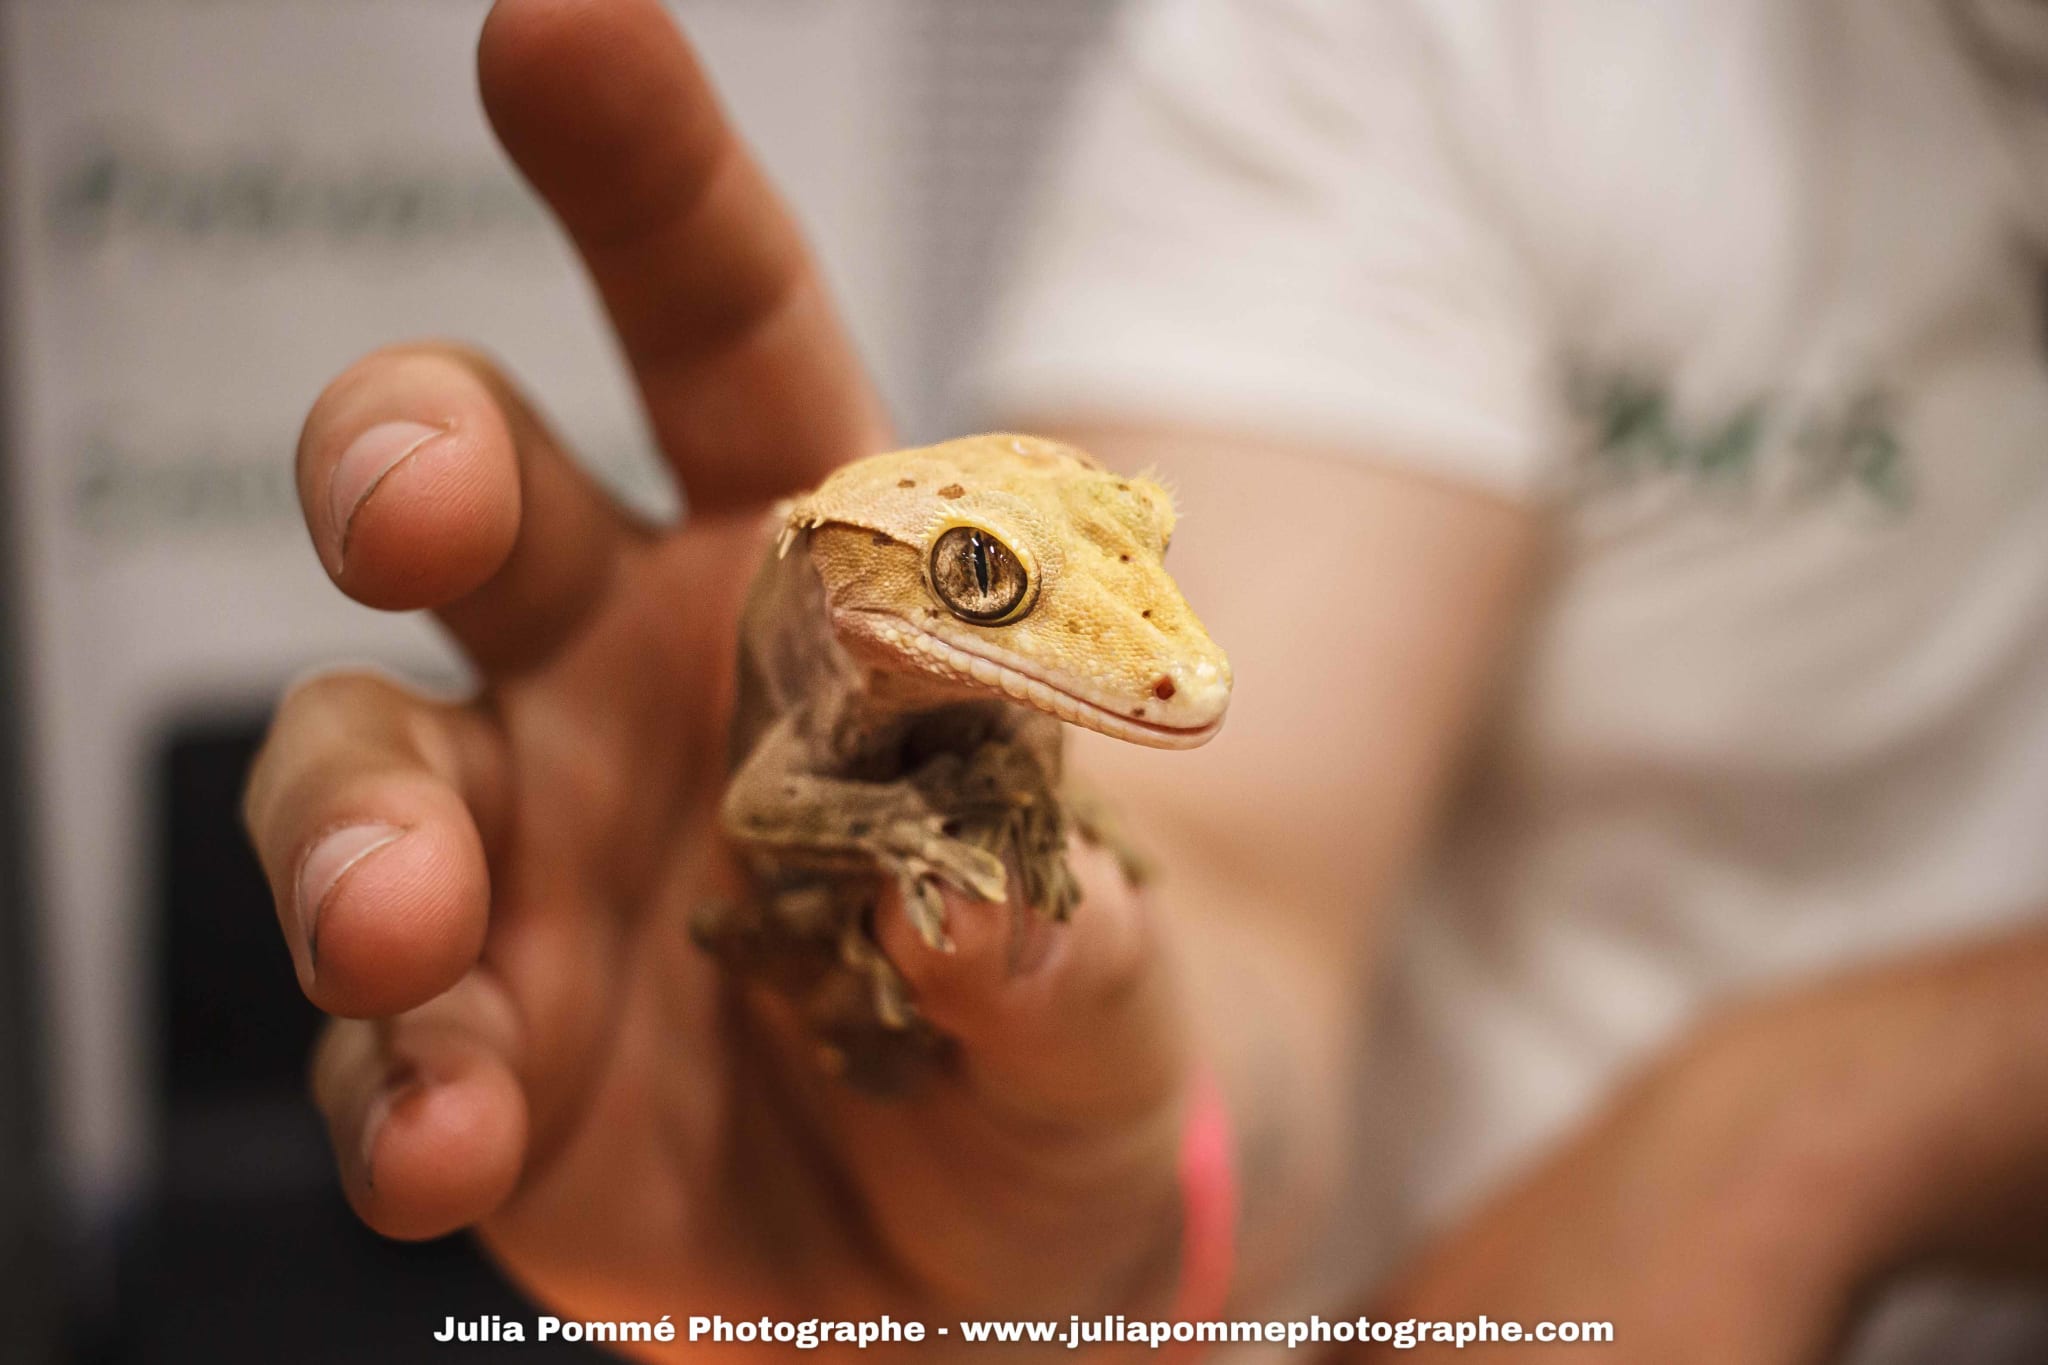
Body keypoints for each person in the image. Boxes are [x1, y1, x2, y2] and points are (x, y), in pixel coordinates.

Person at [240, 0, 2048, 1359]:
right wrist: (1109, 1196)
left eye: (1130, 548)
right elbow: (1219, 870)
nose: (1173, 659)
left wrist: (1828, 1109)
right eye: (988, 586)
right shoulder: (1442, 46)